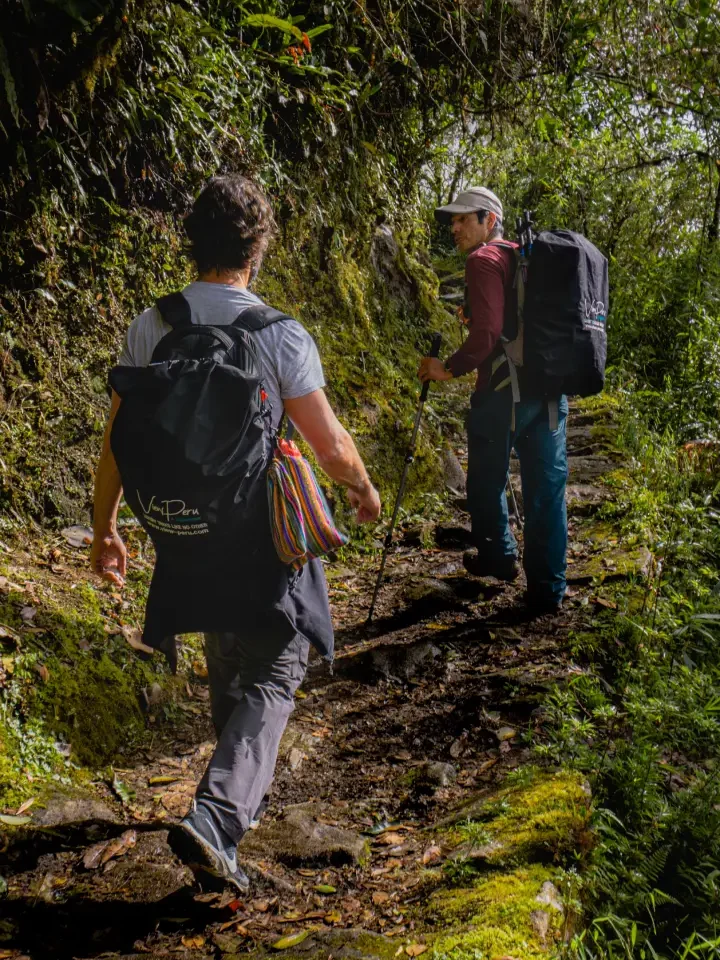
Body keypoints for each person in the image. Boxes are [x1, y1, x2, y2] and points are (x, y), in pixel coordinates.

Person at [90, 174, 381, 890]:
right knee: (280, 664)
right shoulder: (279, 333)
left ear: (191, 242)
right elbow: (331, 445)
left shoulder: (150, 325)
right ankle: (218, 819)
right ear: (258, 249)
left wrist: (107, 530)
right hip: (257, 530)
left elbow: (116, 443)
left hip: (181, 529)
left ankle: (226, 796)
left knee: (229, 638)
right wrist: (361, 488)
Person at [418, 186, 567, 615]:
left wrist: (446, 367)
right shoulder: (526, 257)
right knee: (547, 491)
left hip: (502, 393)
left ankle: (500, 558)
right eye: (454, 219)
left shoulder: (482, 261)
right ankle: (547, 590)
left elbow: (485, 336)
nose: (455, 226)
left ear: (491, 220)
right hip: (551, 391)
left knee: (484, 481)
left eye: (466, 218)